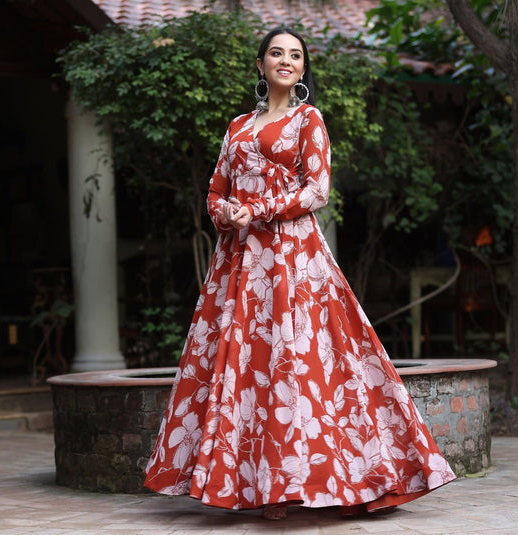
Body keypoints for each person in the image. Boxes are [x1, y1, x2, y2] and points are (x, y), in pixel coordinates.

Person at [144, 27, 456, 521]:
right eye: (276, 53)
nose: (285, 61)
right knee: (250, 365)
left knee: (300, 359)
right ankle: (262, 487)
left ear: (303, 69)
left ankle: (323, 479)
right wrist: (229, 215)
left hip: (292, 259)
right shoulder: (237, 127)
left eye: (295, 55)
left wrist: (261, 209)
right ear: (261, 64)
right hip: (241, 263)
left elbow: (318, 191)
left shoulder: (308, 119)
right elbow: (214, 192)